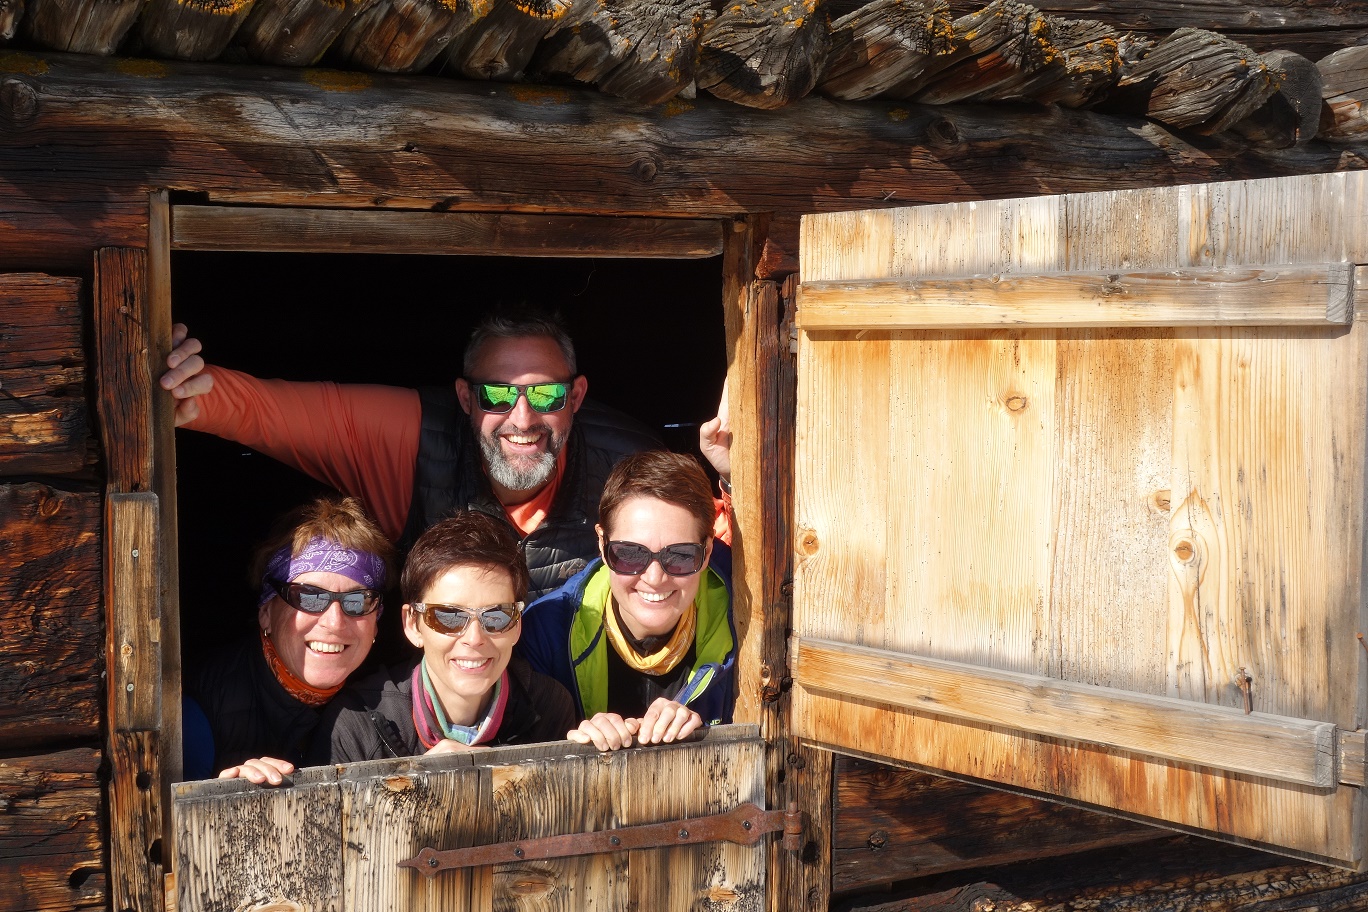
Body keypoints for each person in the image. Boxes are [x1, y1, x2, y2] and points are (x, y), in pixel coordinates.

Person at [159, 310, 731, 603]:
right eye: (498, 395)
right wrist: (186, 389)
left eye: (547, 395)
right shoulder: (412, 439)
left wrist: (734, 472)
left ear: (576, 397)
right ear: (464, 397)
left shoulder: (629, 463)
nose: (522, 418)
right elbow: (267, 410)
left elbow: (714, 548)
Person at [310, 512, 576, 762]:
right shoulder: (356, 725)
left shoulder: (549, 705)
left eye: (496, 616)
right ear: (413, 624)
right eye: (449, 616)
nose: (474, 638)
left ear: (517, 625)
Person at [520, 450, 734, 751]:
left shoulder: (746, 624)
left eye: (680, 555)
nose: (655, 577)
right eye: (631, 554)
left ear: (708, 551)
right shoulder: (544, 634)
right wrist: (571, 742)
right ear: (602, 543)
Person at [184, 495, 395, 784]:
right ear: (266, 612)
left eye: (357, 600)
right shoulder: (199, 714)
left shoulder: (395, 701)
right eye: (309, 596)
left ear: (376, 621)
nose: (334, 622)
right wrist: (223, 796)